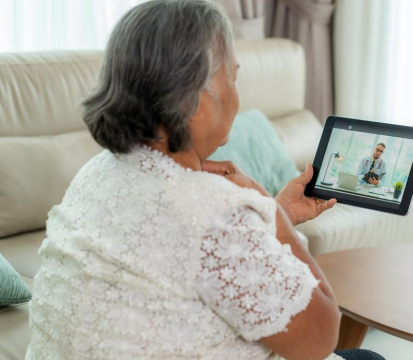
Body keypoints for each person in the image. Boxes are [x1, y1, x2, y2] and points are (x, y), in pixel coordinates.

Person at [26, 1, 385, 360]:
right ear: (195, 103)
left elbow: (189, 253)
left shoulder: (96, 172)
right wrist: (268, 212)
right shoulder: (213, 212)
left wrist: (268, 214)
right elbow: (320, 337)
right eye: (233, 78)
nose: (236, 93)